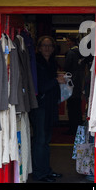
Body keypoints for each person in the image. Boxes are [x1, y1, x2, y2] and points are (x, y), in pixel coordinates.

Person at [29, 35, 65, 182]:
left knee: (46, 140)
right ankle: (39, 173)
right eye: (44, 45)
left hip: (49, 106)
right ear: (38, 47)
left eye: (50, 45)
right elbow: (41, 87)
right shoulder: (36, 63)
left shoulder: (51, 62)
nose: (47, 48)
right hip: (39, 107)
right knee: (40, 140)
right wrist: (56, 80)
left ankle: (46, 170)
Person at [64, 36, 85, 135]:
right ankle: (79, 128)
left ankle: (72, 128)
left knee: (71, 107)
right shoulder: (81, 52)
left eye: (68, 41)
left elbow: (66, 67)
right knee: (77, 108)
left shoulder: (70, 53)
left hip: (71, 82)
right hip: (79, 82)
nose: (67, 43)